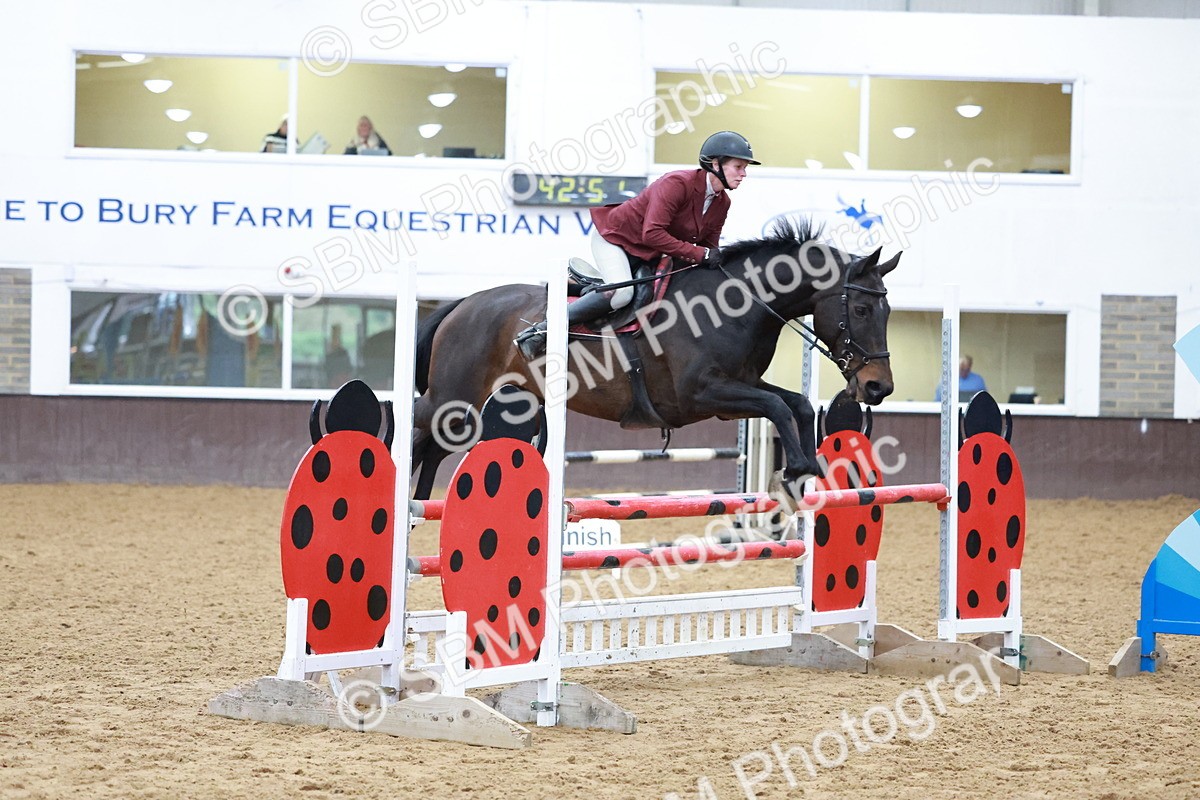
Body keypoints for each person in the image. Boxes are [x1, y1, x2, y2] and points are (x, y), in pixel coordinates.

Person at [515, 131, 759, 360]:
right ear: (715, 164)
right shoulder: (676, 183)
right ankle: (542, 331)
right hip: (617, 239)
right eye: (738, 167)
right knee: (623, 294)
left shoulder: (721, 202)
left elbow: (707, 248)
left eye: (744, 168)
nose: (743, 174)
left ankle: (584, 291)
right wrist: (701, 254)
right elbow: (653, 233)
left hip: (649, 252)